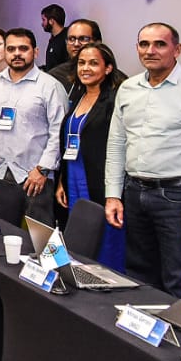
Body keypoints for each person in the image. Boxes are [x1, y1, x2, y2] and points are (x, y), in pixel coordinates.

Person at [104, 22, 181, 295]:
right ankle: (142, 324)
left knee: (178, 281)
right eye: (144, 44)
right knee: (138, 276)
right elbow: (116, 145)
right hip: (134, 193)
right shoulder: (128, 88)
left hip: (178, 198)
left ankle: (179, 326)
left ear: (177, 49)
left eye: (160, 44)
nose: (150, 50)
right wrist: (113, 194)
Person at [0, 29, 68, 224]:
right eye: (11, 49)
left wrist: (43, 169)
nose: (17, 54)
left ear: (35, 52)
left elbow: (58, 133)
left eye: (23, 49)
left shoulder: (51, 86)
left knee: (37, 239)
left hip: (35, 178)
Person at [56, 43, 128, 269]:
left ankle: (106, 278)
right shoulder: (78, 96)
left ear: (108, 68)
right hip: (73, 177)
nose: (85, 68)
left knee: (104, 236)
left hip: (99, 179)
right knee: (79, 231)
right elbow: (67, 140)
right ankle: (79, 274)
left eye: (93, 63)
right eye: (81, 63)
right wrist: (62, 180)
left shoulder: (113, 101)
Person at [44, 18, 101, 91]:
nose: (76, 44)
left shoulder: (109, 74)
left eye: (83, 39)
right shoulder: (55, 77)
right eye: (71, 39)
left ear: (97, 42)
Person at [40, 4, 69, 70]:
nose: (42, 24)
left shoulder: (67, 40)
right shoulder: (53, 39)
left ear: (51, 21)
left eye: (44, 20)